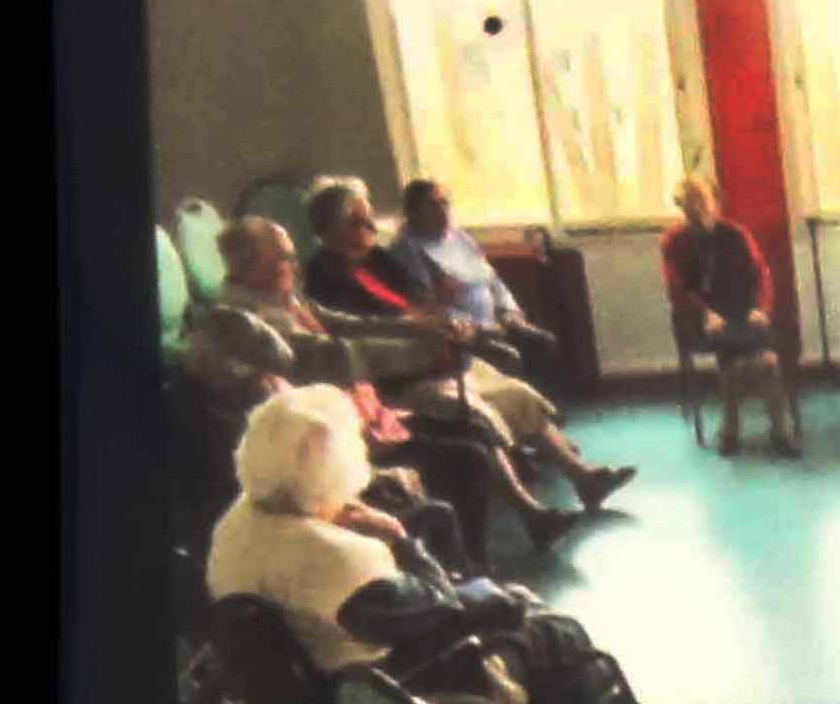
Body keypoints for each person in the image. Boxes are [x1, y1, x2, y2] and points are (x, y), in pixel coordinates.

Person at [208, 386, 622, 704]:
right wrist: (400, 539)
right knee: (557, 631)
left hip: (314, 677)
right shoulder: (341, 560)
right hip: (397, 687)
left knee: (499, 587)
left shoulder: (235, 524)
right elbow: (443, 609)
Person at [185, 256, 565, 562]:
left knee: (470, 442)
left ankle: (476, 564)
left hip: (359, 419)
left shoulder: (288, 301)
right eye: (283, 257)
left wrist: (420, 329)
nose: (293, 262)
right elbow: (337, 356)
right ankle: (462, 572)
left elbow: (355, 326)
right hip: (341, 438)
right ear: (249, 265)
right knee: (463, 458)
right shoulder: (250, 330)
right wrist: (421, 351)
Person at [295, 183, 634, 515]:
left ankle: (582, 477)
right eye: (356, 220)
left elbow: (424, 299)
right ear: (328, 229)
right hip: (400, 378)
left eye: (368, 217)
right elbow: (360, 332)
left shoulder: (379, 260)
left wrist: (442, 317)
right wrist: (419, 330)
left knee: (518, 394)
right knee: (479, 414)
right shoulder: (324, 278)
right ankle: (529, 512)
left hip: (444, 357)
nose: (369, 226)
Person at [176, 301, 469, 572]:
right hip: (277, 547)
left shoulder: (219, 401)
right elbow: (275, 499)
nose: (271, 385)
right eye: (264, 376)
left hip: (291, 523)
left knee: (429, 508)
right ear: (230, 369)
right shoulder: (216, 426)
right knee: (433, 515)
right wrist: (348, 513)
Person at [386, 179, 568, 394]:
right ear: (413, 212)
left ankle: (542, 408)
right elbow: (427, 306)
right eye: (433, 205)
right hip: (462, 334)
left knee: (544, 342)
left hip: (498, 322)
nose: (443, 211)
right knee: (510, 356)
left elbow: (492, 279)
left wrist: (509, 310)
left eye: (445, 203)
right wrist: (477, 325)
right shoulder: (406, 251)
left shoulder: (460, 238)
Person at [664, 175, 802, 450]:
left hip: (744, 312)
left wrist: (760, 307)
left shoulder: (736, 234)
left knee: (768, 362)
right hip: (704, 319)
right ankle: (732, 429)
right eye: (691, 203)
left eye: (703, 201)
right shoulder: (674, 242)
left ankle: (777, 431)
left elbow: (761, 275)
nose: (699, 208)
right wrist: (705, 314)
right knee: (738, 361)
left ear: (715, 202)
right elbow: (679, 289)